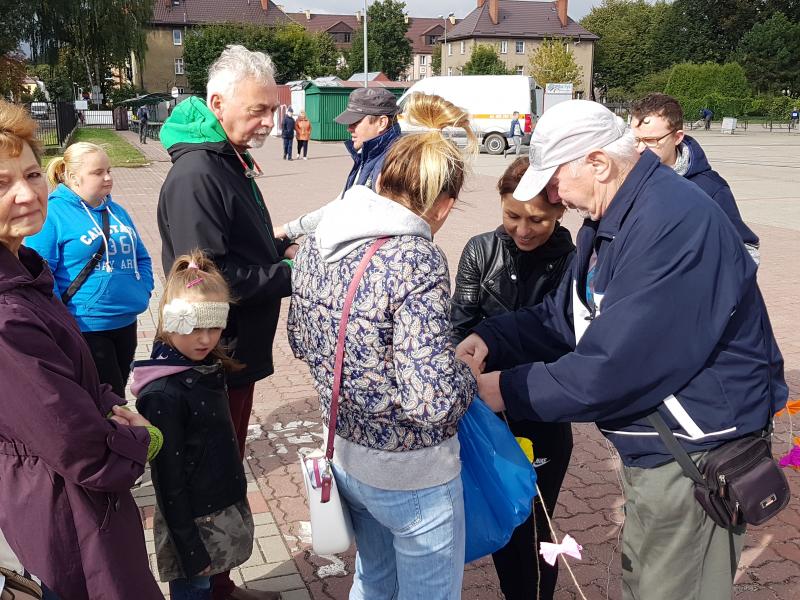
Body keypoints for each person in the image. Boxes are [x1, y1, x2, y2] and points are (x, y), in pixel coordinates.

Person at [456, 100, 787, 600]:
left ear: (598, 162)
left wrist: (502, 388)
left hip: (693, 452)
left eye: (556, 180)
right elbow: (566, 316)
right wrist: (493, 337)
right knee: (644, 579)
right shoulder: (612, 216)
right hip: (658, 446)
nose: (554, 196)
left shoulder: (673, 224)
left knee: (669, 589)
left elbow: (612, 367)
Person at [287, 92, 478, 600]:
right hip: (411, 474)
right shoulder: (416, 257)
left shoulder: (319, 240)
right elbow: (431, 401)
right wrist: (466, 370)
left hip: (345, 457)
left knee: (373, 582)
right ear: (445, 203)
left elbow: (300, 341)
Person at [0, 100, 163, 599]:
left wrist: (109, 404)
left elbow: (71, 382)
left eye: (31, 173)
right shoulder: (7, 316)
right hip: (64, 508)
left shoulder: (23, 271)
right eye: (1, 183)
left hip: (72, 498)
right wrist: (139, 442)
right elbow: (79, 446)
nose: (27, 194)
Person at [158, 44, 293, 600]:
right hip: (211, 355)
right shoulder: (198, 171)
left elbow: (232, 245)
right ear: (217, 101)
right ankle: (206, 586)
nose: (267, 122)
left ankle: (219, 581)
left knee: (224, 473)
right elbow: (205, 276)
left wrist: (276, 242)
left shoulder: (223, 159)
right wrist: (287, 274)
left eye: (271, 111)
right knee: (207, 481)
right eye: (258, 110)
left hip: (230, 353)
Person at [451, 156, 575, 600]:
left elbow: (566, 345)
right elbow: (459, 323)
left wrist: (505, 377)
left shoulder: (574, 263)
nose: (523, 229)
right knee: (494, 516)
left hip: (540, 414)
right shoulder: (480, 250)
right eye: (512, 216)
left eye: (537, 219)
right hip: (484, 415)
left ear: (560, 211)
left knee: (533, 529)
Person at [132, 251, 254, 600]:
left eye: (214, 327)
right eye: (194, 327)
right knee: (193, 590)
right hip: (191, 523)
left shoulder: (204, 369)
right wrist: (188, 547)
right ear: (172, 322)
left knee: (205, 587)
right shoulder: (163, 394)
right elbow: (167, 479)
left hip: (213, 507)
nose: (205, 339)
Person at [26, 142, 154, 397]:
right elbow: (40, 274)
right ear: (73, 177)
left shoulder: (116, 211)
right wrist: (60, 320)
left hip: (126, 321)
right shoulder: (53, 214)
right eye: (98, 172)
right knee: (109, 398)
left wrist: (144, 290)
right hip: (86, 326)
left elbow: (142, 256)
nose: (107, 178)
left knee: (116, 392)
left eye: (109, 170)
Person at [630, 93, 760, 264]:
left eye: (650, 140)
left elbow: (746, 250)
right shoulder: (623, 180)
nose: (639, 148)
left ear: (677, 137)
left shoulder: (711, 188)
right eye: (635, 140)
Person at [275, 86, 401, 240]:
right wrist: (289, 230)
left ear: (382, 122)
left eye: (355, 122)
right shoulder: (370, 155)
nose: (349, 128)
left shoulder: (394, 163)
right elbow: (342, 205)